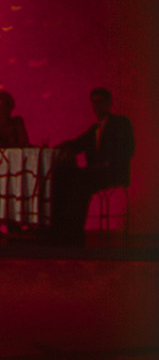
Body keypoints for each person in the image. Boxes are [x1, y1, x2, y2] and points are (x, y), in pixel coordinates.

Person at [51, 88, 135, 243]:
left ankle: (74, 230)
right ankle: (60, 228)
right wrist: (60, 147)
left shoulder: (121, 123)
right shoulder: (94, 129)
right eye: (94, 102)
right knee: (63, 176)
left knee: (80, 179)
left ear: (109, 103)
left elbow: (128, 149)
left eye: (100, 102)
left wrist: (107, 164)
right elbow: (78, 143)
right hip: (94, 173)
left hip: (113, 172)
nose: (97, 106)